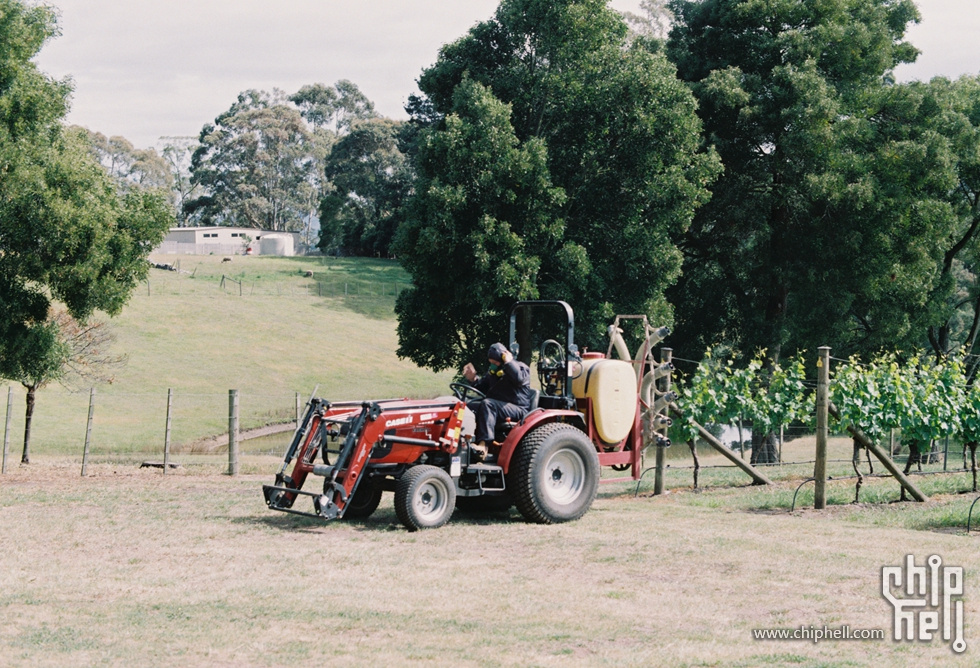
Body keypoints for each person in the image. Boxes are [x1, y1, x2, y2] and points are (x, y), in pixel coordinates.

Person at [462, 342, 533, 462]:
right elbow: (483, 386)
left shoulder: (521, 368)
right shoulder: (494, 374)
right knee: (470, 405)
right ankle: (464, 439)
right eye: (491, 363)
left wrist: (509, 362)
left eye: (495, 363)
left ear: (503, 359)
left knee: (488, 404)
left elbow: (519, 378)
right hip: (499, 407)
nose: (493, 366)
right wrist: (473, 379)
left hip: (519, 409)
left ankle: (483, 445)